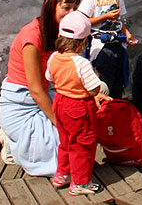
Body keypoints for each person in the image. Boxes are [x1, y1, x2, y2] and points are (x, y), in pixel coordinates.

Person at [0, 0, 78, 176]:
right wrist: (58, 122)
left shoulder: (62, 32)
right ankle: (11, 140)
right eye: (66, 8)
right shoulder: (32, 36)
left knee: (78, 130)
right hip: (23, 100)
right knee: (60, 158)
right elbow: (34, 89)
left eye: (75, 8)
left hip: (47, 92)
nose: (71, 13)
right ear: (52, 6)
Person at [46, 11, 111, 196]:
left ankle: (62, 174)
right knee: (83, 144)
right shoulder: (81, 63)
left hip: (59, 102)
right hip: (79, 106)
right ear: (83, 41)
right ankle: (80, 182)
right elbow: (93, 90)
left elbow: (49, 77)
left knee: (65, 141)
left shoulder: (54, 57)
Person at [78, 0, 139, 99]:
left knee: (119, 79)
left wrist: (127, 33)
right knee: (105, 81)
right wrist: (104, 17)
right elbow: (82, 22)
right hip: (100, 47)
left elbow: (119, 20)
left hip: (117, 44)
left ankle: (118, 108)